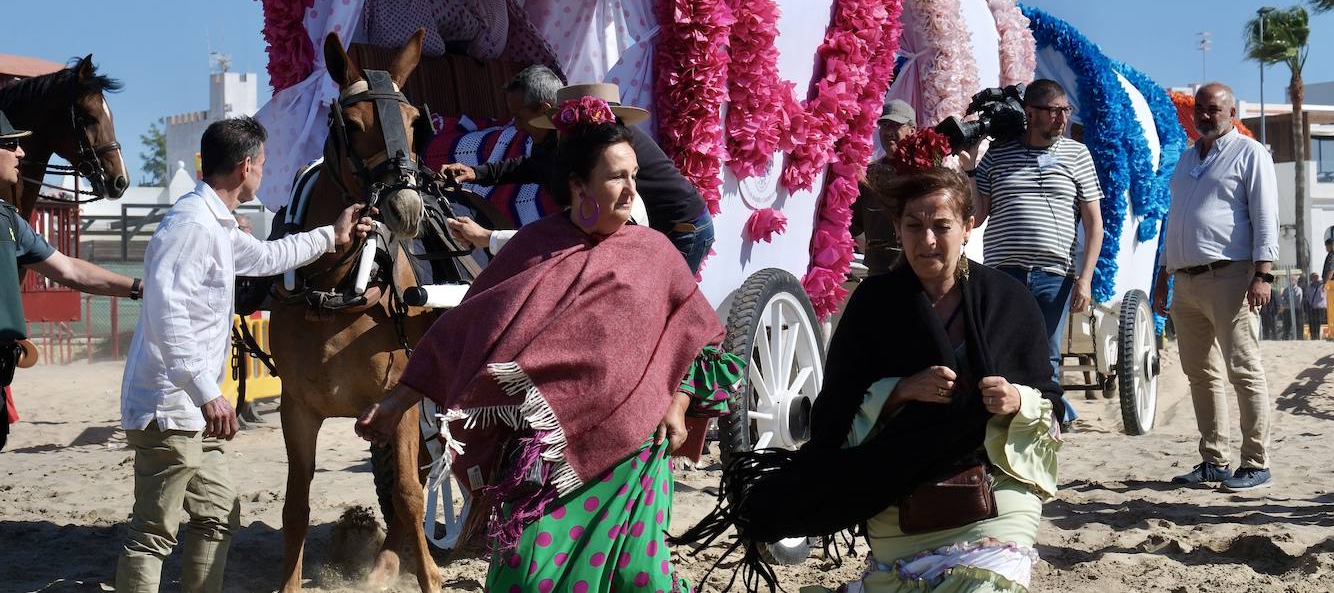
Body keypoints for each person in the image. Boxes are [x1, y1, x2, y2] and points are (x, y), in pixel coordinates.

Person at [357, 97, 742, 591]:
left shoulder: (655, 253)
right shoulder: (533, 247)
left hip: (634, 455)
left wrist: (678, 399)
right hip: (545, 462)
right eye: (615, 177)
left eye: (634, 175)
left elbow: (698, 340)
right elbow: (464, 331)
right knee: (526, 576)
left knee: (638, 579)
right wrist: (394, 403)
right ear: (579, 185)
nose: (630, 190)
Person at [678, 133, 1062, 593]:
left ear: (968, 225)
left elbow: (1050, 402)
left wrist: (1018, 400)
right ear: (897, 229)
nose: (927, 240)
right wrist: (899, 391)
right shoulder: (875, 304)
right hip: (895, 487)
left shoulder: (1009, 301)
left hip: (995, 493)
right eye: (913, 225)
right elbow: (836, 406)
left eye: (941, 225)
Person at [115, 117, 372, 593]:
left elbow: (266, 257)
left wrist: (331, 235)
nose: (264, 172)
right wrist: (208, 393)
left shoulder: (214, 223)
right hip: (171, 408)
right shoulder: (190, 227)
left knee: (217, 515)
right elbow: (166, 318)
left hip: (194, 410)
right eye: (263, 164)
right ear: (245, 165)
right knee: (153, 532)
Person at [440, 70, 714, 273]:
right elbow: (536, 169)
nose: (517, 126)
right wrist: (478, 173)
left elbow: (569, 240)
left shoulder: (604, 158)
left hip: (680, 228)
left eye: (521, 117)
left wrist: (488, 237)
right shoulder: (566, 147)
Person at [963, 78, 1102, 428]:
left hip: (1055, 274)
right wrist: (969, 170)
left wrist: (1084, 279)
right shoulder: (999, 154)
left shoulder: (1077, 154)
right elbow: (977, 217)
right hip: (1004, 272)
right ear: (1030, 113)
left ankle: (1046, 425)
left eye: (1065, 111)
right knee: (1001, 349)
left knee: (1047, 353)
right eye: (1053, 112)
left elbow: (1094, 223)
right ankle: (1006, 424)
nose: (1061, 119)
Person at [1158, 82, 1276, 491]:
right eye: (1201, 109)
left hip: (1232, 278)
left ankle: (1255, 461)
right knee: (1200, 374)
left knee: (1243, 370)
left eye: (1214, 109)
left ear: (1232, 111)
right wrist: (1163, 275)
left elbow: (1265, 216)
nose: (1205, 116)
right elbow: (1174, 220)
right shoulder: (1188, 158)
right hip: (1185, 281)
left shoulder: (1249, 153)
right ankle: (1214, 460)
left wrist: (1263, 274)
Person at [0, 110, 140, 451]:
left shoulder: (8, 220)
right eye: (10, 144)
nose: (21, 153)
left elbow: (71, 271)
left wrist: (138, 288)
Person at [849, 99, 917, 275]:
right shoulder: (868, 175)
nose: (888, 132)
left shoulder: (926, 173)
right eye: (884, 125)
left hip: (916, 270)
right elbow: (853, 225)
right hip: (878, 271)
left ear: (912, 130)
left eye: (895, 125)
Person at [1304, 270, 1327, 340]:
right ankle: (1313, 337)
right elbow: (1307, 297)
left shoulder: (1323, 286)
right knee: (1312, 323)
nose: (1315, 279)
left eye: (1316, 277)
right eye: (1313, 277)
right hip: (1312, 307)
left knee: (1318, 323)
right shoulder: (1309, 287)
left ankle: (1317, 337)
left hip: (1320, 308)